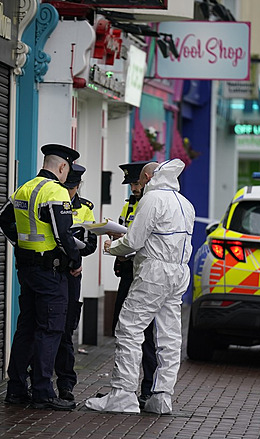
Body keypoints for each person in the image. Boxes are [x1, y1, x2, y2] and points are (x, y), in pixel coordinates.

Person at [85, 159, 195, 415]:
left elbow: (134, 240)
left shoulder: (152, 199)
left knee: (129, 328)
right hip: (179, 272)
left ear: (147, 177)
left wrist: (112, 248)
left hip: (154, 272)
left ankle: (122, 394)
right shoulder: (185, 204)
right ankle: (161, 396)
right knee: (169, 335)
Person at [0, 143, 82, 411]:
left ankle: (17, 390)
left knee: (26, 328)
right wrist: (74, 261)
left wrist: (20, 245)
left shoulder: (25, 187)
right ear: (62, 166)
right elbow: (63, 234)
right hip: (50, 272)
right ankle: (43, 392)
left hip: (27, 268)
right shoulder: (56, 191)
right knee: (50, 329)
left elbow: (1, 220)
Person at [111, 160, 157, 408]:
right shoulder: (130, 204)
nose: (133, 188)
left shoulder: (151, 205)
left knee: (147, 333)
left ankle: (148, 387)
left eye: (136, 182)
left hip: (145, 274)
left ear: (146, 180)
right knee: (123, 328)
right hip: (128, 272)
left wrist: (123, 242)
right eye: (130, 183)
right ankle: (124, 388)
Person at [54, 164, 97, 402]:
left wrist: (75, 251)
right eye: (65, 186)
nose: (68, 191)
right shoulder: (52, 199)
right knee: (47, 327)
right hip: (51, 270)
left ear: (78, 186)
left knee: (66, 330)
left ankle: (66, 384)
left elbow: (90, 245)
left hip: (72, 275)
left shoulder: (85, 207)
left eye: (72, 187)